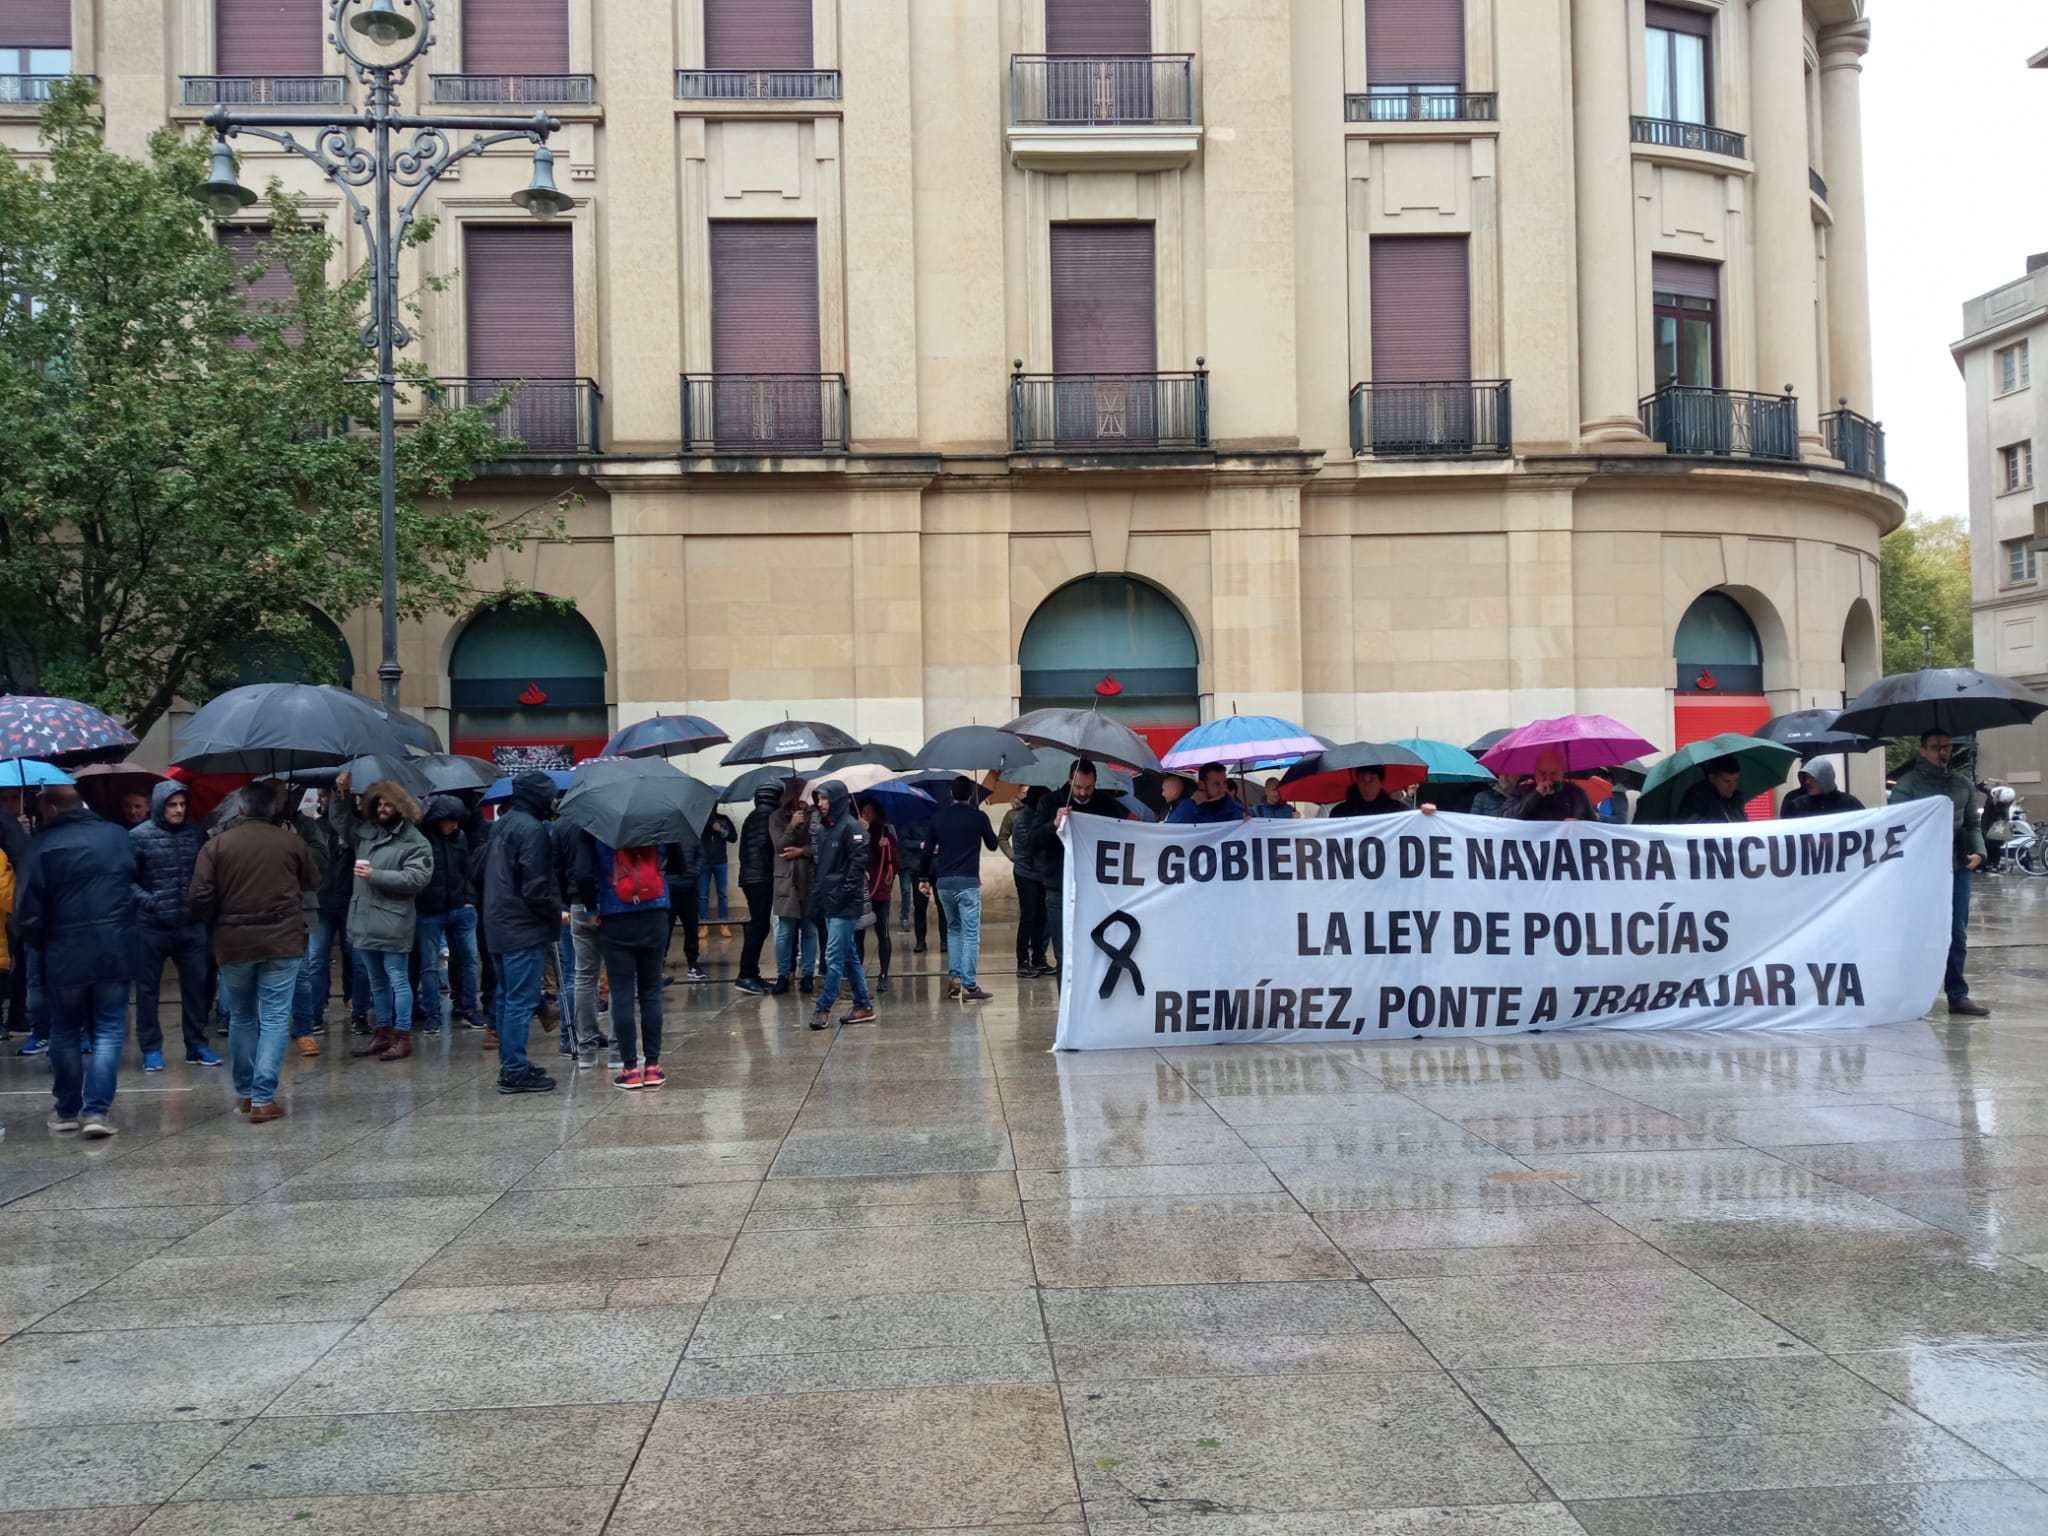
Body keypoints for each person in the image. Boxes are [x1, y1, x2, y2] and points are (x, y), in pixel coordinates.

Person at [188, 780, 317, 1124]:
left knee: (242, 1017)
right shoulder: (291, 842)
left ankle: (245, 1094)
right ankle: (264, 1098)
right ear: (273, 809)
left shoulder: (216, 846)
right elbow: (311, 881)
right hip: (282, 940)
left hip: (234, 941)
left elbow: (198, 897)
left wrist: (220, 919)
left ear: (241, 809)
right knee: (274, 1018)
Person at [14, 785, 137, 1138]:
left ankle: (67, 1110)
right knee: (110, 1030)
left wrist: (39, 943)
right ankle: (97, 1111)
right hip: (114, 949)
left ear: (52, 809)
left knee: (65, 1030)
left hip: (63, 952)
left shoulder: (41, 845)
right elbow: (133, 883)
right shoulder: (117, 836)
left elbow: (27, 909)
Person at [332, 773, 433, 1062]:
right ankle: (383, 1033)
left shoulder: (416, 841)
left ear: (401, 807)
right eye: (378, 805)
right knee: (377, 982)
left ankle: (402, 1036)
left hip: (392, 921)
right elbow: (341, 822)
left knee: (398, 980)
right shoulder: (368, 830)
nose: (381, 810)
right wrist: (343, 792)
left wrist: (376, 875)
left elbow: (417, 878)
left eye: (388, 806)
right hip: (363, 919)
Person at [1892, 730, 1989, 1017]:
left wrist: (1979, 851)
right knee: (1917, 932)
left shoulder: (1962, 784)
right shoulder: (1908, 785)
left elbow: (1972, 822)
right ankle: (1909, 993)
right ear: (1923, 751)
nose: (1942, 752)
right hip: (1921, 869)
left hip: (1956, 867)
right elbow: (1899, 822)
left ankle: (1958, 995)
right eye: (1935, 747)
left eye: (1946, 747)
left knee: (1957, 933)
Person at [481, 771, 565, 1092]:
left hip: (498, 923)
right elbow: (535, 886)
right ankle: (514, 1070)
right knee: (519, 1000)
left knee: (505, 997)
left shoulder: (502, 823)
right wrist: (552, 914)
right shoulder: (532, 830)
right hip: (523, 926)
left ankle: (511, 1064)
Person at [574, 829, 675, 1089]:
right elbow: (680, 863)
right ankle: (653, 1066)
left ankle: (629, 1069)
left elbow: (583, 873)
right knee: (651, 991)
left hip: (615, 915)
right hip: (654, 912)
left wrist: (591, 909)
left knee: (621, 992)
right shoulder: (659, 819)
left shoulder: (595, 824)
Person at [129, 781, 218, 1072]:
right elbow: (125, 880)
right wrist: (149, 902)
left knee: (197, 988)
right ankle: (151, 1048)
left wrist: (202, 904)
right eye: (172, 804)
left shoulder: (195, 834)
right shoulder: (138, 837)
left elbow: (208, 873)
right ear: (160, 806)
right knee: (147, 990)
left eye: (182, 804)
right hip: (151, 926)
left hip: (191, 924)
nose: (179, 809)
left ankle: (196, 1044)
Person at [1045, 759, 1129, 976]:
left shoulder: (1109, 806)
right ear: (1069, 780)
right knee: (1064, 955)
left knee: (1096, 950)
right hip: (1059, 887)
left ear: (1095, 782)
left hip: (1096, 888)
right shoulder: (1049, 802)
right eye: (1078, 787)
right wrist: (1054, 825)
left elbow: (1123, 837)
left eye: (1088, 787)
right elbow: (1033, 842)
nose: (1083, 792)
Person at [920, 778, 1000, 1003]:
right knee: (971, 934)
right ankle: (969, 985)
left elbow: (926, 852)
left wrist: (923, 878)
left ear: (951, 794)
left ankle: (955, 979)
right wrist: (980, 823)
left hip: (944, 883)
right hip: (968, 882)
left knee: (954, 930)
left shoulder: (938, 818)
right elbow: (993, 845)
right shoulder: (978, 817)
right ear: (971, 795)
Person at [807, 780, 878, 1030]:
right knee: (849, 957)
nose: (820, 803)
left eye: (824, 798)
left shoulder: (851, 828)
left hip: (844, 905)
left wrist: (844, 893)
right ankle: (863, 1005)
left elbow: (857, 866)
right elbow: (823, 867)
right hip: (829, 901)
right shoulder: (824, 829)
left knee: (833, 957)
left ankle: (823, 1007)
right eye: (818, 798)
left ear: (836, 799)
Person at [413, 795, 480, 1038]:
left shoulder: (457, 837)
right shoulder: (423, 839)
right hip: (432, 909)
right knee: (431, 966)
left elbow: (467, 869)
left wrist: (469, 899)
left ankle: (468, 1007)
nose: (455, 826)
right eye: (451, 821)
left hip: (458, 907)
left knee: (467, 960)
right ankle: (435, 1013)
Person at [732, 780, 784, 996]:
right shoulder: (769, 817)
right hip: (761, 878)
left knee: (759, 925)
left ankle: (750, 972)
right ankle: (746, 974)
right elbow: (773, 847)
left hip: (750, 877)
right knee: (759, 926)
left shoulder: (752, 817)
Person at [770, 786, 819, 994]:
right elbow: (780, 847)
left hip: (809, 879)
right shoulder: (776, 817)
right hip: (786, 882)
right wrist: (792, 826)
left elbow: (818, 846)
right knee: (785, 932)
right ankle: (783, 974)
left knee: (809, 930)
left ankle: (807, 975)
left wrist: (802, 851)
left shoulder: (814, 816)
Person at [854, 799, 899, 993]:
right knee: (858, 933)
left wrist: (884, 847)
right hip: (861, 891)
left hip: (880, 890)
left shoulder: (885, 834)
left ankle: (884, 974)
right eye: (864, 812)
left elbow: (894, 862)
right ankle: (857, 974)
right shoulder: (855, 833)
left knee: (883, 932)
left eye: (870, 812)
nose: (867, 815)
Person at [1011, 786, 1052, 977]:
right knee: (1028, 917)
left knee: (1041, 917)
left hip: (1041, 874)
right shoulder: (1022, 821)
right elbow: (1031, 846)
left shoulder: (1039, 819)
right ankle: (1022, 960)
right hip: (1026, 874)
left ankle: (1039, 957)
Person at [1507, 750, 1595, 821]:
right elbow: (1506, 819)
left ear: (1562, 772)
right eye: (1542, 773)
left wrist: (1580, 825)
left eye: (1554, 773)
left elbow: (1594, 825)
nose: (1548, 779)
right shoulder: (1522, 792)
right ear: (1535, 772)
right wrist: (1536, 795)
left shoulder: (1577, 794)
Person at [1677, 756, 1751, 824]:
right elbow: (1689, 822)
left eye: (1735, 780)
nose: (1732, 786)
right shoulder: (1698, 796)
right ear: (1712, 778)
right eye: (1726, 781)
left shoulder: (1736, 798)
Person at [1168, 762, 1247, 824]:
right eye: (1216, 784)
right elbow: (1170, 834)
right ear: (1201, 785)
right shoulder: (1187, 810)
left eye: (1224, 783)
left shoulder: (1237, 811)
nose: (1222, 789)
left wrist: (1248, 824)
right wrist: (1193, 808)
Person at [1783, 759, 1864, 819]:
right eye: (1806, 777)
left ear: (1826, 778)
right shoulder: (1797, 806)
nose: (1807, 782)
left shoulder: (1850, 804)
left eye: (1812, 777)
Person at [698, 808, 737, 933]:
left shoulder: (723, 819)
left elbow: (733, 837)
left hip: (720, 861)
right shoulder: (699, 818)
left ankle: (724, 922)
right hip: (704, 862)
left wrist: (720, 829)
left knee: (723, 894)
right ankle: (703, 923)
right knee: (702, 895)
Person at [1327, 765, 1407, 818]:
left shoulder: (1398, 811)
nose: (1366, 786)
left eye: (1371, 780)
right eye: (1362, 780)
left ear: (1381, 783)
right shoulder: (1340, 812)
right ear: (1357, 781)